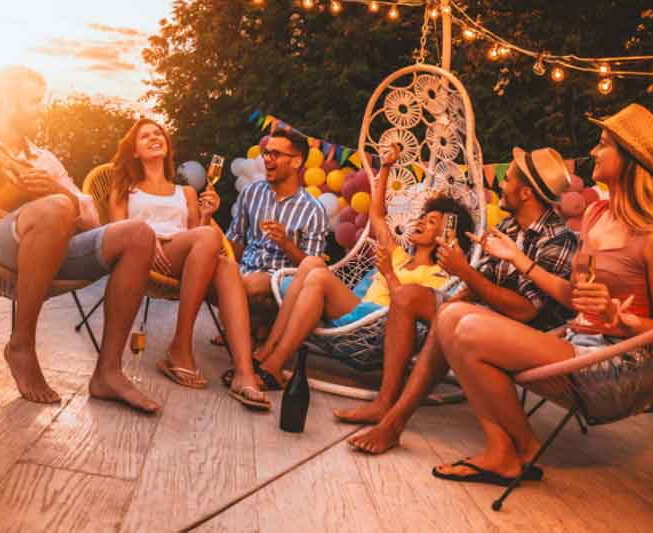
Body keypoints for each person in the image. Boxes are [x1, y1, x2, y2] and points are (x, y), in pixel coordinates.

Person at [429, 103, 653, 485]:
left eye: (603, 145)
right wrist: (517, 258)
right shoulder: (597, 215)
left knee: (468, 331)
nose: (594, 152)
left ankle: (523, 448)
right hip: (576, 342)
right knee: (449, 317)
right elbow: (570, 296)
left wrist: (623, 320)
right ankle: (503, 451)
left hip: (616, 365)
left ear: (629, 158)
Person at [0, 66, 160, 412]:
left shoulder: (45, 159)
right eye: (34, 101)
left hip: (54, 246)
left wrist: (54, 189)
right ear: (6, 103)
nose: (42, 108)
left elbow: (92, 221)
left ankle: (108, 372)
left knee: (139, 234)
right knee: (53, 209)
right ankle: (21, 344)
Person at [345, 146, 578, 452]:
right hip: (485, 311)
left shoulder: (558, 239)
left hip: (526, 334)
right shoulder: (508, 226)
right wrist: (454, 297)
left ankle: (393, 423)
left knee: (449, 318)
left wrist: (464, 274)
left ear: (524, 193)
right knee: (408, 296)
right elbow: (481, 281)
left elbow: (525, 311)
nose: (501, 186)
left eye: (506, 180)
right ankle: (384, 402)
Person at [246, 145, 474, 390]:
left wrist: (387, 272)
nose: (420, 223)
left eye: (431, 223)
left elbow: (411, 311)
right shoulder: (397, 254)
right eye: (423, 217)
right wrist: (386, 168)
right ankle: (269, 350)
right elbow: (377, 215)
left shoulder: (440, 275)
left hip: (378, 328)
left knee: (319, 277)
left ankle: (272, 362)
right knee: (312, 263)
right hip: (357, 314)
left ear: (446, 235)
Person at [108, 118, 270, 409]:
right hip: (145, 256)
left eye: (159, 133)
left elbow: (198, 233)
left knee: (227, 266)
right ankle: (180, 348)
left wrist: (207, 214)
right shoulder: (125, 188)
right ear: (134, 151)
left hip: (187, 260)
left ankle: (244, 372)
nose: (155, 137)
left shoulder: (187, 193)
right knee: (210, 241)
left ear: (168, 145)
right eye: (145, 136)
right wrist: (144, 235)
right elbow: (115, 232)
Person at [225, 130, 328, 343]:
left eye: (275, 154)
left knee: (245, 287)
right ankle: (250, 326)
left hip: (277, 277)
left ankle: (251, 326)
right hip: (244, 269)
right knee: (210, 273)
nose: (267, 159)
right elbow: (234, 241)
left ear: (296, 162)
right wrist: (208, 220)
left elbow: (313, 269)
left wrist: (286, 243)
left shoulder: (313, 210)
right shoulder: (251, 192)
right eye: (266, 153)